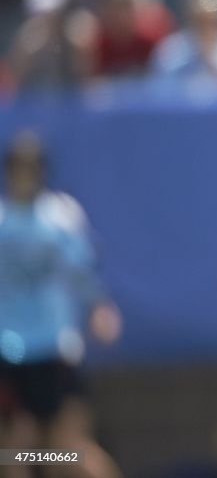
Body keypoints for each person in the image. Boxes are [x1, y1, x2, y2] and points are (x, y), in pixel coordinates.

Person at [0, 131, 123, 478]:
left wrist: (101, 307)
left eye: (32, 168)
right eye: (18, 168)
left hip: (55, 348)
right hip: (10, 350)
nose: (25, 175)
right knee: (16, 451)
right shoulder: (2, 219)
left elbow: (83, 270)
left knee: (67, 451)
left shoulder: (60, 215)